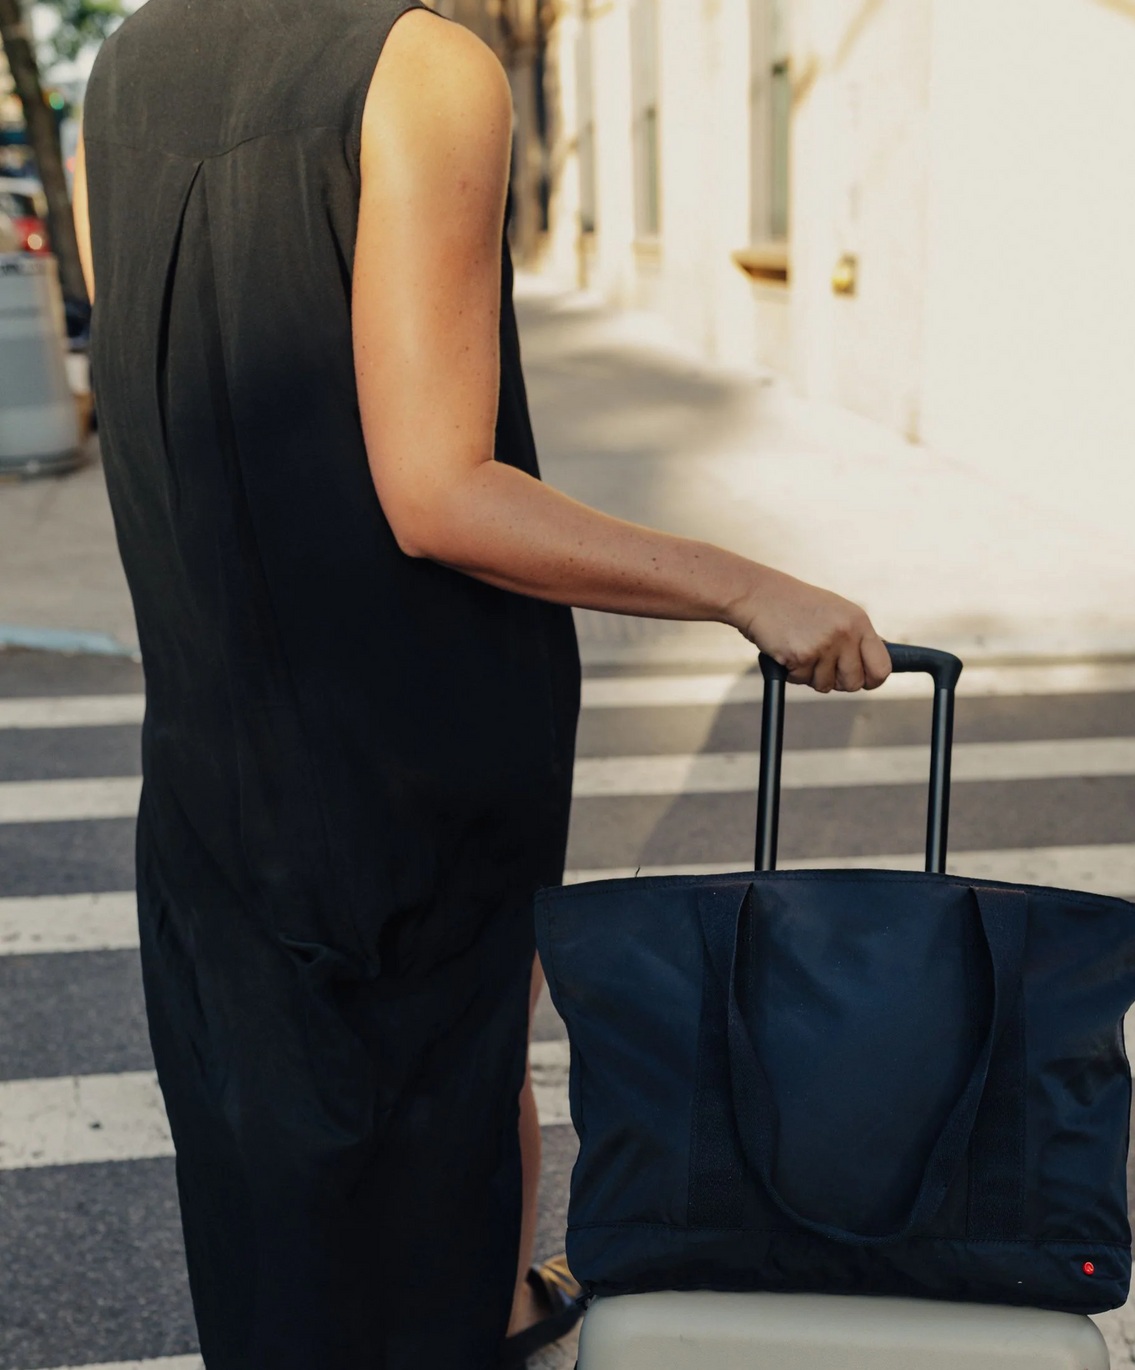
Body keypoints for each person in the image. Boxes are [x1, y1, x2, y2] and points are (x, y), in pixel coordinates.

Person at [73, 3, 891, 1367]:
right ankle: (480, 1310)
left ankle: (504, 1302)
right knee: (439, 1125)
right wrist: (747, 582)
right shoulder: (424, 68)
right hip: (411, 746)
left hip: (217, 740)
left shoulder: (124, 66)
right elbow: (439, 491)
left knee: (267, 1167)